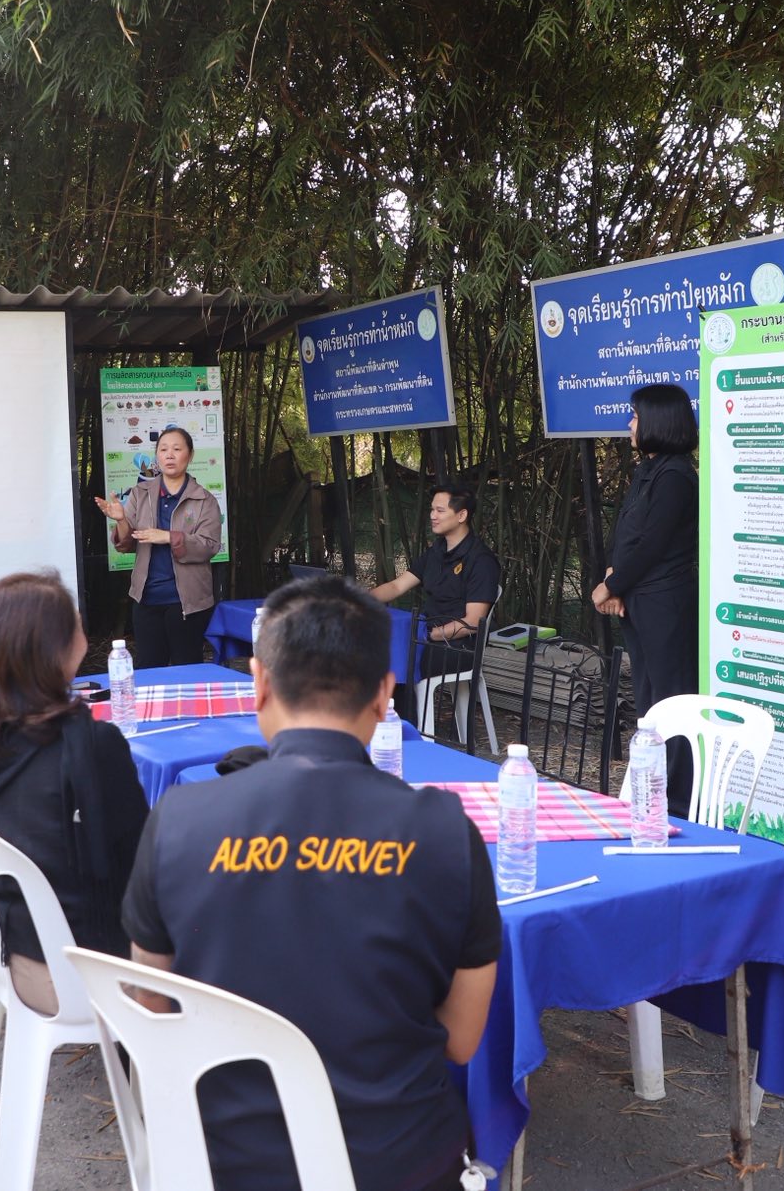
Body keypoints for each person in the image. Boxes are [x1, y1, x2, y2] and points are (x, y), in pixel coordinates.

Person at [122, 575, 501, 1191]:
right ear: (385, 695)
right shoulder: (445, 834)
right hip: (395, 1163)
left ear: (260, 682)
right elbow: (460, 1041)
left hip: (215, 1162)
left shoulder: (178, 820)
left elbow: (151, 1009)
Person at [0, 571, 148, 1014]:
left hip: (15, 951)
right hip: (94, 967)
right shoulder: (90, 746)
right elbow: (142, 866)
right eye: (77, 627)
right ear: (56, 651)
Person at [591, 382, 697, 814]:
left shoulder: (675, 476)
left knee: (672, 701)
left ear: (658, 421)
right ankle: (650, 788)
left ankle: (677, 801)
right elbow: (629, 536)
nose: (630, 423)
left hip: (665, 603)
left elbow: (653, 544)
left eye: (635, 416)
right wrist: (616, 578)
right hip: (639, 598)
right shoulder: (648, 470)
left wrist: (613, 586)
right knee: (649, 698)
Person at [370, 483, 501, 729]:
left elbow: (473, 622)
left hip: (457, 645)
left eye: (440, 510)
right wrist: (358, 597)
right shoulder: (436, 551)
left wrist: (429, 636)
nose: (432, 515)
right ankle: (380, 725)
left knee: (400, 652)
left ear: (462, 515)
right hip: (426, 633)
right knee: (378, 645)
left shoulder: (481, 560)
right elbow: (397, 587)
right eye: (432, 510)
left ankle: (404, 729)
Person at [94, 426, 223, 668]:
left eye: (177, 449)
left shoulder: (204, 500)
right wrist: (121, 519)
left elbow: (210, 545)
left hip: (187, 603)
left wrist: (168, 537)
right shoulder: (141, 494)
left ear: (190, 455)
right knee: (148, 669)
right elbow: (126, 543)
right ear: (157, 456)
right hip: (146, 600)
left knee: (188, 670)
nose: (169, 455)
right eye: (163, 449)